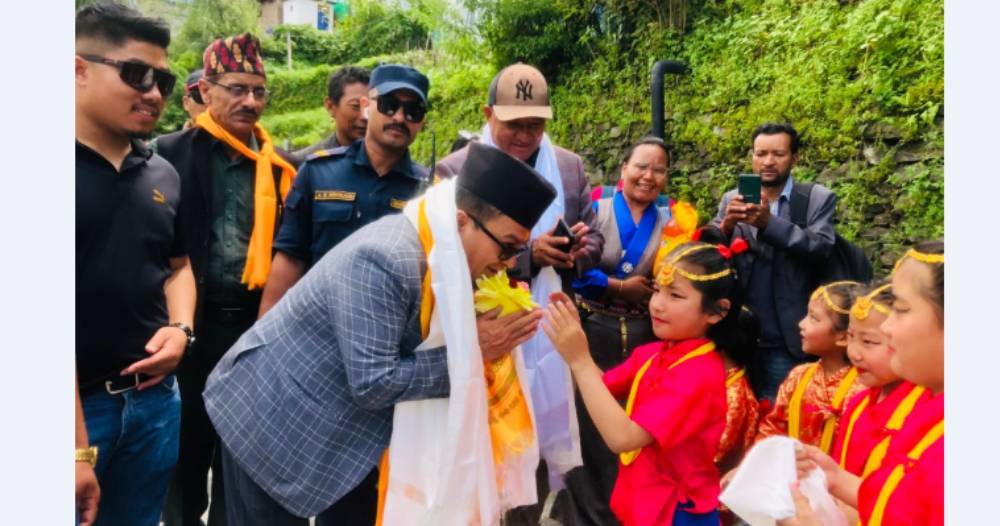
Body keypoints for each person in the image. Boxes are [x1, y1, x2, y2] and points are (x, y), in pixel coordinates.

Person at [202, 142, 556, 525]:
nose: (508, 263)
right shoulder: (386, 259)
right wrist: (473, 351)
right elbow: (374, 383)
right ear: (460, 221)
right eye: (506, 248)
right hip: (274, 422)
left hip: (343, 428)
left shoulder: (445, 254)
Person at [436, 62, 603, 518]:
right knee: (484, 442)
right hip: (488, 326)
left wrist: (575, 250)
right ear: (488, 113)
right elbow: (446, 255)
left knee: (537, 445)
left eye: (535, 125)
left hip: (548, 326)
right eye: (514, 124)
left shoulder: (567, 167)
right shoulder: (456, 170)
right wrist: (529, 256)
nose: (526, 136)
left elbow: (594, 239)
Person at [153, 32, 297, 526]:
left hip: (256, 330)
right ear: (205, 91)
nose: (250, 101)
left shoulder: (281, 168)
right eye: (236, 89)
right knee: (185, 453)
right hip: (190, 329)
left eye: (258, 91)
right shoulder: (167, 155)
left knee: (242, 457)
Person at [76, 3, 196, 525]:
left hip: (154, 404)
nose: (153, 93)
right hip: (81, 409)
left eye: (163, 81)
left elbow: (178, 266)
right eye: (136, 74)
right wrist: (76, 447)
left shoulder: (161, 173)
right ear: (78, 69)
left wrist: (181, 329)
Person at [544, 242, 743, 525]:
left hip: (676, 512)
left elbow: (623, 438)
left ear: (717, 312)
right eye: (657, 290)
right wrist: (576, 344)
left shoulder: (699, 373)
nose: (657, 304)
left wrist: (579, 359)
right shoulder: (655, 353)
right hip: (644, 502)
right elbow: (602, 387)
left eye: (675, 295)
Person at [783, 241, 943, 526]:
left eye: (901, 310)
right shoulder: (928, 411)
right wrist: (836, 478)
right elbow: (901, 503)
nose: (887, 327)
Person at [558, 136, 672, 525]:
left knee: (632, 427)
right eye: (641, 166)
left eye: (658, 169)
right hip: (594, 328)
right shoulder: (595, 209)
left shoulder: (673, 220)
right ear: (624, 169)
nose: (648, 176)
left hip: (645, 337)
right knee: (587, 426)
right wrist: (620, 287)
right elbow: (574, 267)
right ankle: (583, 515)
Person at [259, 64, 430, 317]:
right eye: (389, 105)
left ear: (422, 121)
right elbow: (291, 258)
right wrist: (265, 328)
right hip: (318, 323)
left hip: (390, 328)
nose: (399, 117)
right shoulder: (318, 173)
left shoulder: (429, 192)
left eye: (413, 111)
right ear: (366, 107)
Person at [713, 123, 837, 400]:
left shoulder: (815, 199)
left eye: (778, 154)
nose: (768, 161)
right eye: (761, 154)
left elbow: (821, 247)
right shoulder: (732, 199)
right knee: (733, 412)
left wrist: (770, 224)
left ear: (795, 158)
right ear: (752, 157)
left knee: (781, 414)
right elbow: (708, 254)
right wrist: (726, 227)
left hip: (787, 338)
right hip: (738, 335)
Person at [753, 281, 866, 455]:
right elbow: (773, 429)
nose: (801, 324)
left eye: (814, 318)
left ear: (843, 337)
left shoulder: (861, 390)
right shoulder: (799, 375)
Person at [832, 282, 930, 479]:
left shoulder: (922, 412)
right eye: (850, 336)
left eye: (869, 342)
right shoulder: (857, 404)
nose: (854, 353)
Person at [288, 66, 370, 164]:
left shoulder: (386, 161)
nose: (365, 116)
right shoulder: (305, 163)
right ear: (330, 106)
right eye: (355, 106)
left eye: (371, 107)